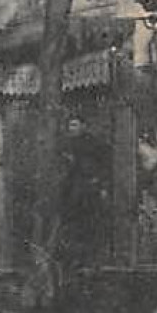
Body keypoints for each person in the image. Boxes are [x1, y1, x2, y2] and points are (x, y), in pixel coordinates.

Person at [58, 115, 112, 269]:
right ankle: (75, 260)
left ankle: (91, 261)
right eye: (70, 125)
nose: (71, 128)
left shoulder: (94, 144)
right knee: (72, 227)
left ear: (83, 126)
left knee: (89, 227)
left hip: (88, 192)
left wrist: (100, 182)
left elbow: (104, 164)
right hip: (71, 193)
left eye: (74, 125)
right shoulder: (66, 144)